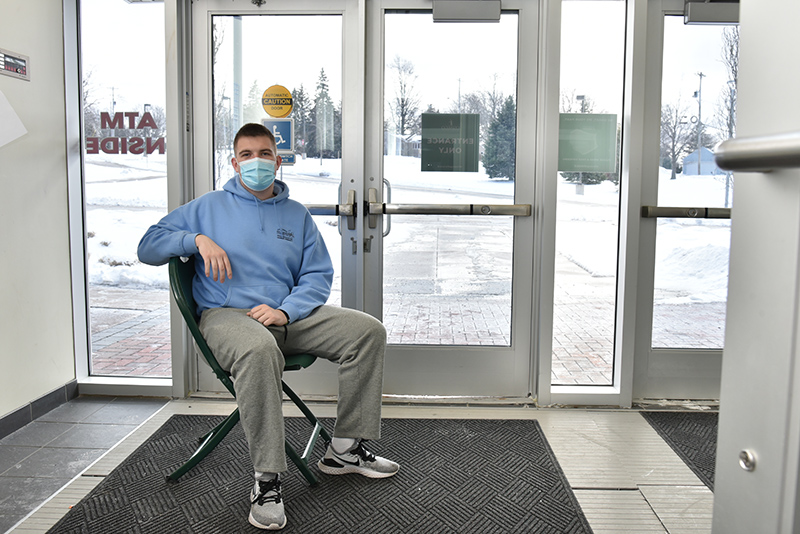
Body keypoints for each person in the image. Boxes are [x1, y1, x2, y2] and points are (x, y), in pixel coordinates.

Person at [138, 123, 399, 530]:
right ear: (234, 162)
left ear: (278, 162)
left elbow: (317, 275)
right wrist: (195, 241)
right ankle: (267, 479)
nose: (255, 162)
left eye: (264, 154)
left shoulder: (296, 216)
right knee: (259, 350)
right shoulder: (207, 207)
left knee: (368, 332)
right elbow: (148, 245)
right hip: (229, 316)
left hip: (284, 313)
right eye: (246, 155)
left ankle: (345, 448)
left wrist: (287, 310)